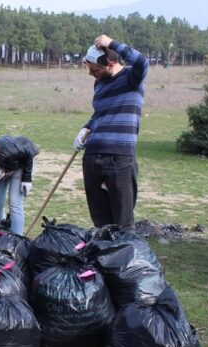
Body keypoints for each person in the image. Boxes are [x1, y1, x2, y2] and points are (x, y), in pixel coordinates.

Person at [74, 34, 149, 231]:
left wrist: (111, 43)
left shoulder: (132, 78)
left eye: (94, 70)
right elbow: (101, 113)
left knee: (123, 224)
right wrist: (86, 127)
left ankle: (122, 251)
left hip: (119, 160)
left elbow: (142, 61)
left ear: (111, 64)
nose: (91, 74)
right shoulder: (99, 83)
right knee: (101, 223)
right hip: (92, 158)